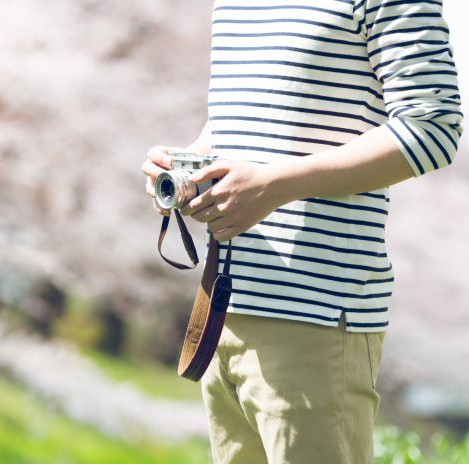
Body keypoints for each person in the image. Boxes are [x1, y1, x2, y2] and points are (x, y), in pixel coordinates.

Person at [141, 1, 463, 463]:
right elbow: (245, 119)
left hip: (318, 322)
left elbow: (434, 125)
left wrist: (276, 186)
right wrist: (185, 165)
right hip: (224, 308)